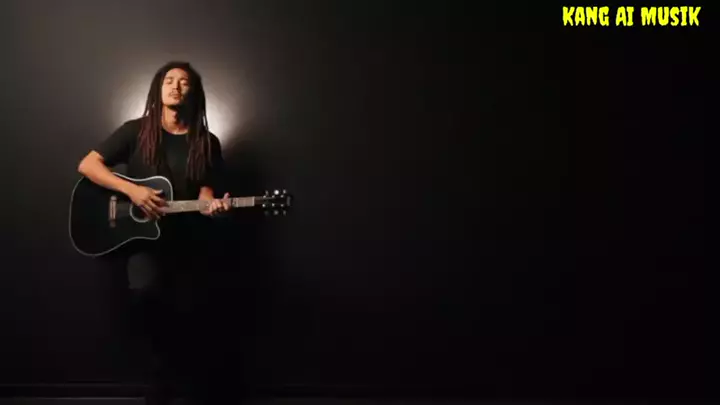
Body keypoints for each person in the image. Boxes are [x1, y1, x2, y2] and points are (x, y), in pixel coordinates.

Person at [77, 61, 230, 404]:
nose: (175, 86)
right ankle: (162, 377)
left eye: (184, 82)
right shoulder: (136, 131)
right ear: (158, 89)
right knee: (147, 296)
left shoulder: (207, 141)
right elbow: (87, 165)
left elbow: (206, 195)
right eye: (169, 80)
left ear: (193, 92)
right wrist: (132, 191)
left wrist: (215, 208)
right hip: (143, 241)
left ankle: (185, 386)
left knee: (193, 310)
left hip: (188, 242)